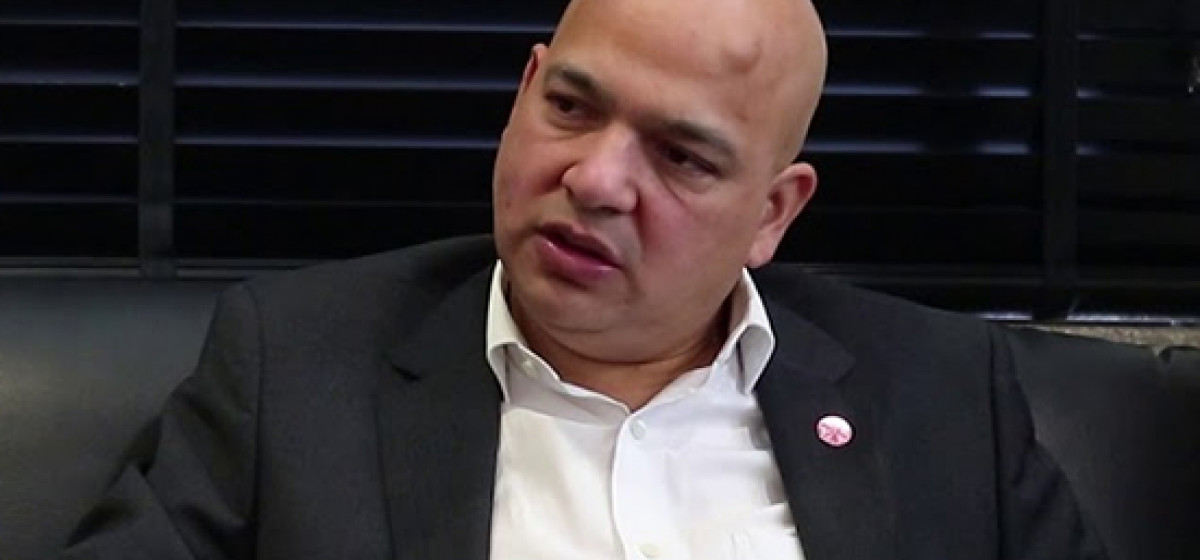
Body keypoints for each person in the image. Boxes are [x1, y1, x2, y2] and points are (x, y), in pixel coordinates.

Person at [63, 0, 1108, 558]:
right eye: (570, 107)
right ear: (525, 88)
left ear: (771, 213)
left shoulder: (941, 395)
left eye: (682, 156)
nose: (596, 181)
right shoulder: (295, 363)